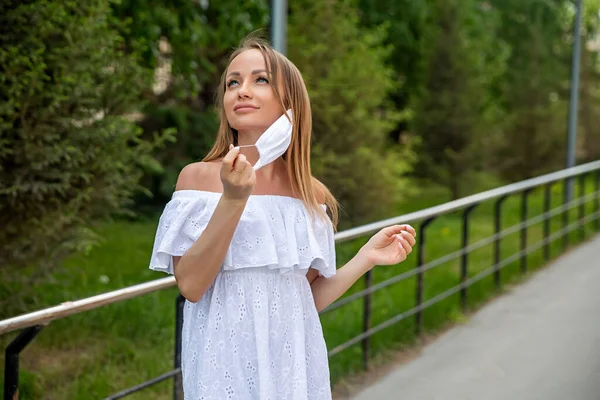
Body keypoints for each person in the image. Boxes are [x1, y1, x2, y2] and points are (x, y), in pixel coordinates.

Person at [149, 35, 417, 400]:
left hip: (295, 369)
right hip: (223, 366)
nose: (242, 90)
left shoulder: (309, 194)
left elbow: (303, 300)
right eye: (232, 82)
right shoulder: (197, 179)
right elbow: (192, 285)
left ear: (290, 103)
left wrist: (366, 257)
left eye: (260, 80)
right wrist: (233, 199)